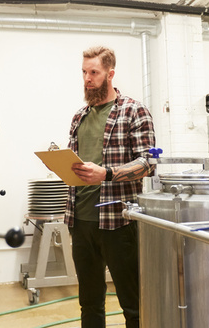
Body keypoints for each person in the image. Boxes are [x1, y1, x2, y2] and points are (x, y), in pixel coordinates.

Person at [66, 45, 156, 328]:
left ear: (110, 74)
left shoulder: (133, 110)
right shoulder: (79, 117)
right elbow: (77, 164)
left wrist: (106, 174)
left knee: (134, 304)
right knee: (89, 303)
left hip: (119, 222)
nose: (87, 79)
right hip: (81, 221)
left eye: (94, 72)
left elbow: (148, 163)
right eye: (84, 72)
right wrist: (60, 164)